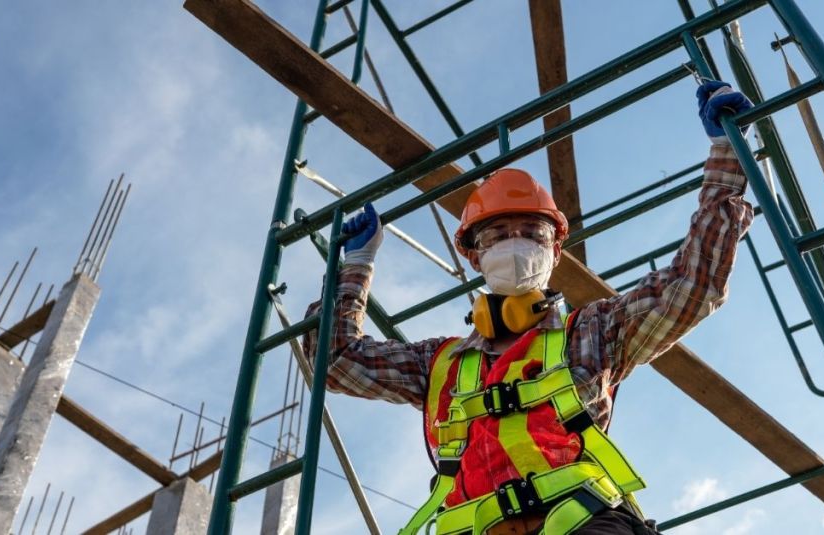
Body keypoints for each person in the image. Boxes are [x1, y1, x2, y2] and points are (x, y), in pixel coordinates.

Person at [303, 80, 754, 535]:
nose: (514, 243)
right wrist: (355, 267)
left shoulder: (593, 334)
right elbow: (336, 362)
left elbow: (690, 287)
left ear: (555, 251)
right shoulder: (438, 364)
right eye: (497, 235)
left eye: (531, 233)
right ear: (474, 256)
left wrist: (725, 159)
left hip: (582, 525)